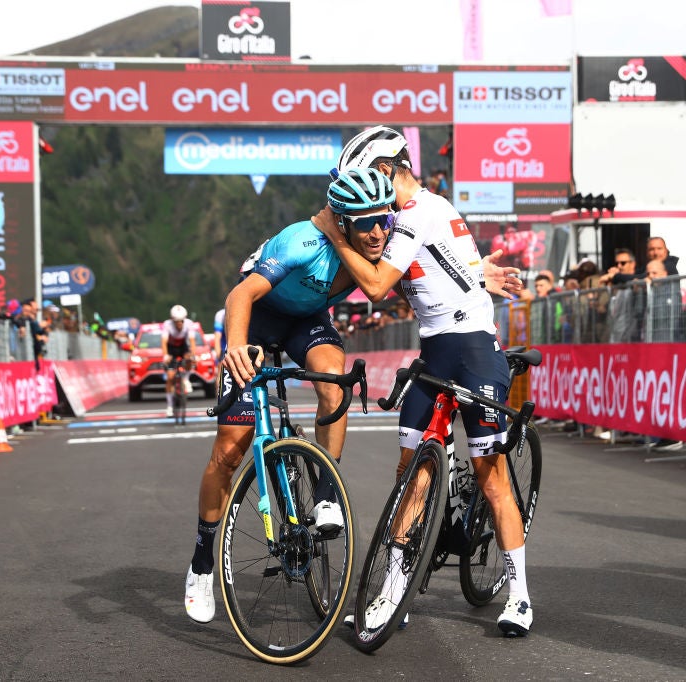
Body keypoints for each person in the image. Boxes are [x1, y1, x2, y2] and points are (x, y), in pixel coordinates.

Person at [312, 125, 533, 636]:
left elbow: (375, 287)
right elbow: (447, 268)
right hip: (434, 353)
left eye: (368, 180)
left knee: (491, 477)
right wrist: (481, 276)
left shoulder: (422, 211)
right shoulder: (401, 216)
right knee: (409, 476)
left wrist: (328, 231)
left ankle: (519, 595)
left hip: (475, 352)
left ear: (388, 171)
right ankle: (394, 591)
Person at [185, 168, 400, 624]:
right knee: (228, 452)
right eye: (365, 222)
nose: (378, 231)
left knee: (332, 379)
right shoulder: (301, 242)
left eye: (384, 219)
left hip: (307, 322)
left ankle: (325, 494)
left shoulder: (378, 245)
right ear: (341, 221)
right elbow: (240, 296)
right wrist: (237, 348)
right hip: (259, 318)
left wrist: (482, 275)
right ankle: (202, 563)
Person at [161, 304, 197, 417]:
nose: (179, 324)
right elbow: (163, 342)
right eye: (176, 321)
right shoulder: (167, 325)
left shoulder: (189, 324)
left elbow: (192, 341)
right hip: (171, 349)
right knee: (170, 377)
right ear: (172, 320)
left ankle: (186, 378)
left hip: (182, 347)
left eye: (181, 321)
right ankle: (170, 406)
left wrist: (193, 355)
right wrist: (165, 355)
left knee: (190, 359)